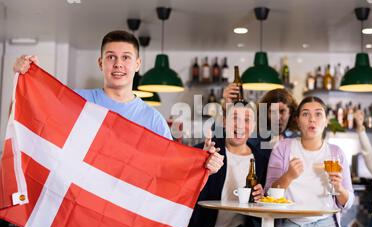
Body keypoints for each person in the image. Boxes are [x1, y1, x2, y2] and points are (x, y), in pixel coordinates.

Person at [12, 30, 223, 175]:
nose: (118, 64)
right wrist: (25, 80)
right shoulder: (75, 102)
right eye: (111, 57)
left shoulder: (153, 120)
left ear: (138, 64)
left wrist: (203, 164)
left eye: (126, 58)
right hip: (72, 210)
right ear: (100, 63)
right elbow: (26, 116)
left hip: (119, 219)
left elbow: (169, 170)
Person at [265, 96, 353, 227]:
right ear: (298, 121)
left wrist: (339, 189)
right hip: (289, 224)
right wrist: (289, 176)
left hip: (325, 225)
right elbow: (269, 195)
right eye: (305, 114)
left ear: (326, 121)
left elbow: (348, 202)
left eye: (318, 114)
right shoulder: (282, 148)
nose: (312, 119)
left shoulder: (336, 153)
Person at [181, 101, 268, 227]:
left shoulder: (260, 160)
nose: (240, 125)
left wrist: (261, 198)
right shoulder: (205, 151)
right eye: (235, 118)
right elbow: (182, 193)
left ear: (253, 125)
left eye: (247, 119)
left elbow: (259, 215)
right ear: (223, 122)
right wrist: (200, 164)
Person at [223, 86, 299, 159]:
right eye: (272, 112)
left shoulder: (300, 139)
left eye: (282, 111)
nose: (277, 117)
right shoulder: (254, 141)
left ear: (290, 112)